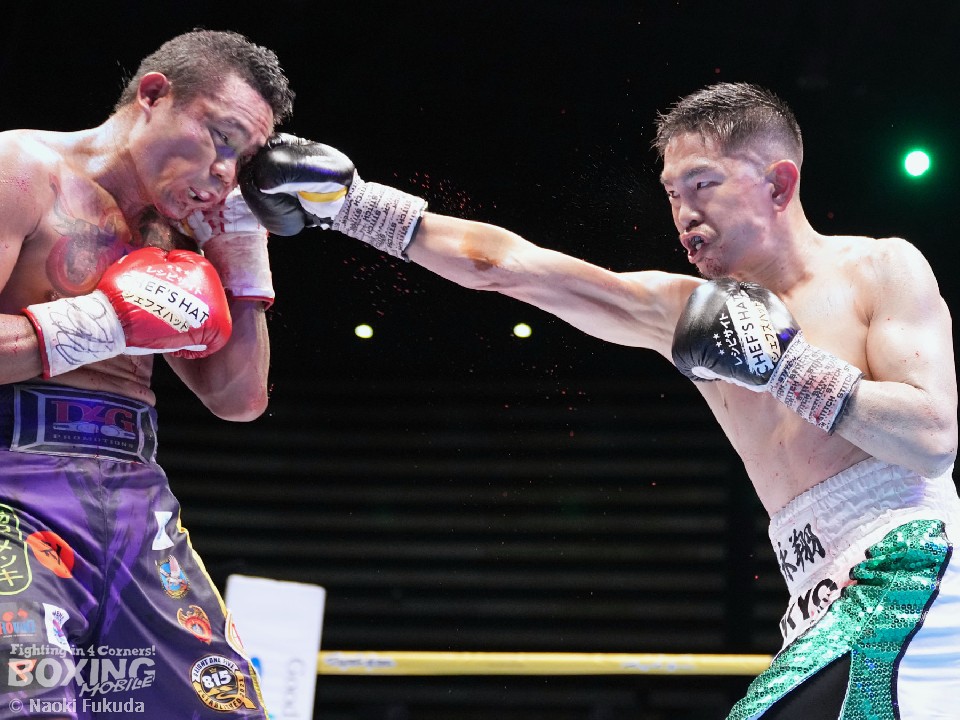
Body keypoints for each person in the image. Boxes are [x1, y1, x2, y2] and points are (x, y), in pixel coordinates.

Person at [239, 83, 960, 718]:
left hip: (909, 569)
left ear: (779, 182)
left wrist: (787, 367)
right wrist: (356, 206)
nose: (684, 212)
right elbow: (515, 268)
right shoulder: (688, 312)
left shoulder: (878, 267)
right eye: (672, 193)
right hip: (819, 596)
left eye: (703, 184)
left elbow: (932, 439)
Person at [0, 29, 293, 718]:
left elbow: (240, 400)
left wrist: (243, 253)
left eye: (243, 159)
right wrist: (100, 323)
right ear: (154, 94)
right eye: (220, 138)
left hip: (137, 499)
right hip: (12, 488)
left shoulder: (182, 232)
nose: (225, 173)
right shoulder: (22, 169)